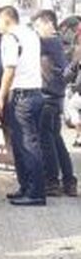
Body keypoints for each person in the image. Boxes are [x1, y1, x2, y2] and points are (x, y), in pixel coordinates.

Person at [0, 6, 46, 206]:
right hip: (35, 94)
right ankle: (26, 188)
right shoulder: (31, 34)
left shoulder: (10, 38)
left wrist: (0, 97)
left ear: (7, 20)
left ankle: (35, 193)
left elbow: (9, 69)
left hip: (22, 96)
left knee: (27, 145)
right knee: (24, 144)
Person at [32, 10, 78, 197]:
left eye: (38, 25)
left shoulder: (49, 42)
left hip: (48, 97)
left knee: (47, 142)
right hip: (56, 97)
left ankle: (52, 181)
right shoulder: (59, 43)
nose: (35, 30)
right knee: (57, 141)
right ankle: (69, 181)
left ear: (49, 24)